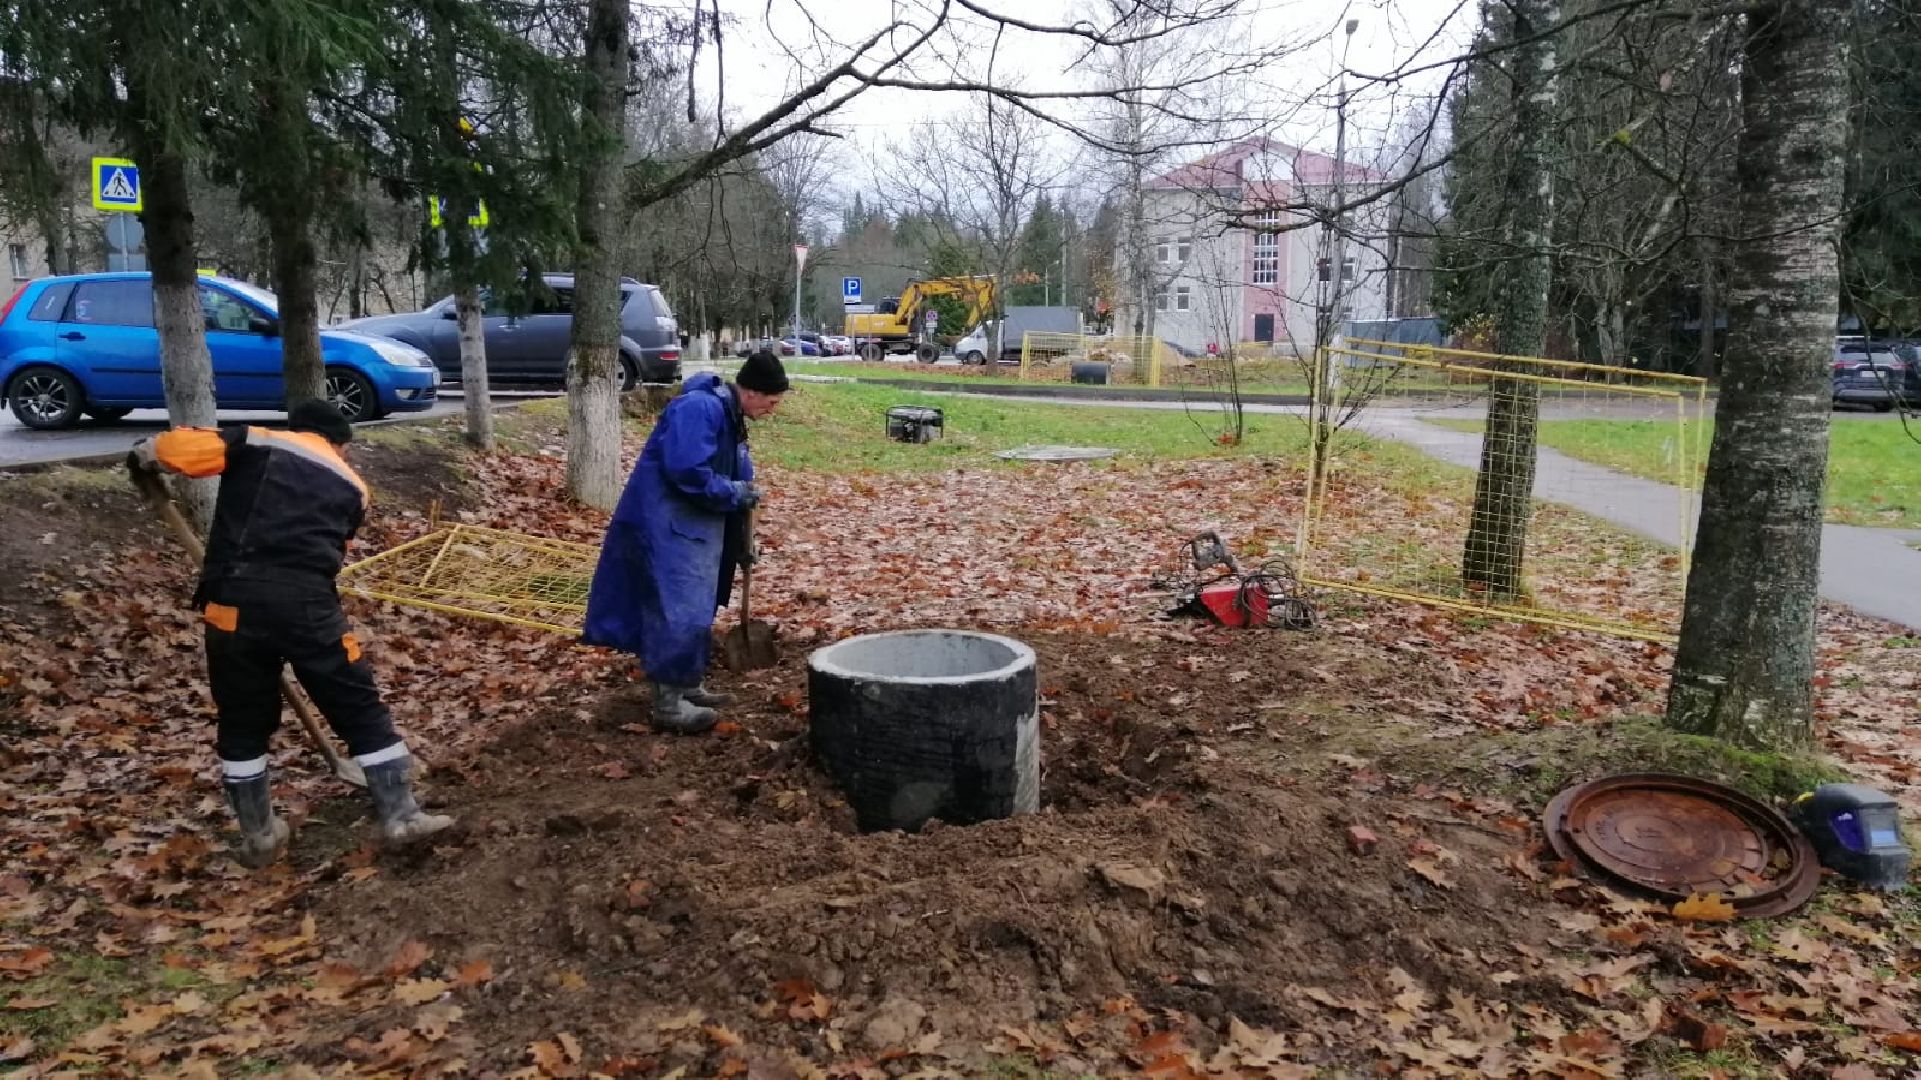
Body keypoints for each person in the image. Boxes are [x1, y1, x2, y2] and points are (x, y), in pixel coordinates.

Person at [130, 401, 452, 869]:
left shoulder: (257, 441)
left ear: (296, 427)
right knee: (358, 706)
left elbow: (182, 450)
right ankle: (401, 814)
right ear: (339, 443)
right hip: (308, 607)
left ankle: (259, 835)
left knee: (242, 721)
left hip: (232, 606)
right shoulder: (354, 487)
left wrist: (148, 452)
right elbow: (332, 549)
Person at [583, 349, 790, 733]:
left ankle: (686, 684)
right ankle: (668, 705)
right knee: (678, 611)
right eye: (773, 402)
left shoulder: (729, 415)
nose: (773, 410)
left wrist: (744, 492)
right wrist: (733, 492)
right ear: (753, 392)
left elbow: (730, 467)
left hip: (694, 525)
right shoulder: (699, 409)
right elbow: (687, 470)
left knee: (698, 606)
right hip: (667, 525)